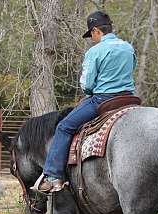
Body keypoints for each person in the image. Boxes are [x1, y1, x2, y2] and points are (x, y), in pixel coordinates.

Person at [36, 11, 137, 193]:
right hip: (129, 99)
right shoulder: (128, 47)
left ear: (96, 31)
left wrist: (90, 89)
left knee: (64, 127)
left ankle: (53, 176)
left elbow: (88, 85)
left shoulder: (95, 51)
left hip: (103, 100)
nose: (92, 38)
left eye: (91, 34)